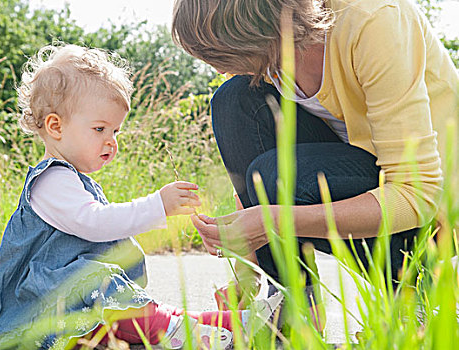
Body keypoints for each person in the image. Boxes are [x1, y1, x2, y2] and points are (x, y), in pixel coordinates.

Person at [172, 0, 458, 327]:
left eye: (224, 56)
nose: (223, 70)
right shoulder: (274, 53)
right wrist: (247, 265)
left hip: (432, 212)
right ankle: (294, 303)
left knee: (280, 174)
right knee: (233, 98)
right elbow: (253, 167)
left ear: (259, 32)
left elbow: (416, 196)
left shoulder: (373, 20)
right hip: (363, 177)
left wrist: (275, 221)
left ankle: (414, 295)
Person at [0, 43, 283, 349]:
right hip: (44, 306)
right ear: (55, 126)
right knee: (130, 306)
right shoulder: (52, 180)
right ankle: (195, 335)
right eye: (100, 129)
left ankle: (233, 325)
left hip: (79, 303)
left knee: (141, 310)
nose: (111, 142)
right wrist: (157, 205)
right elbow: (94, 223)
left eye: (116, 131)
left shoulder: (72, 179)